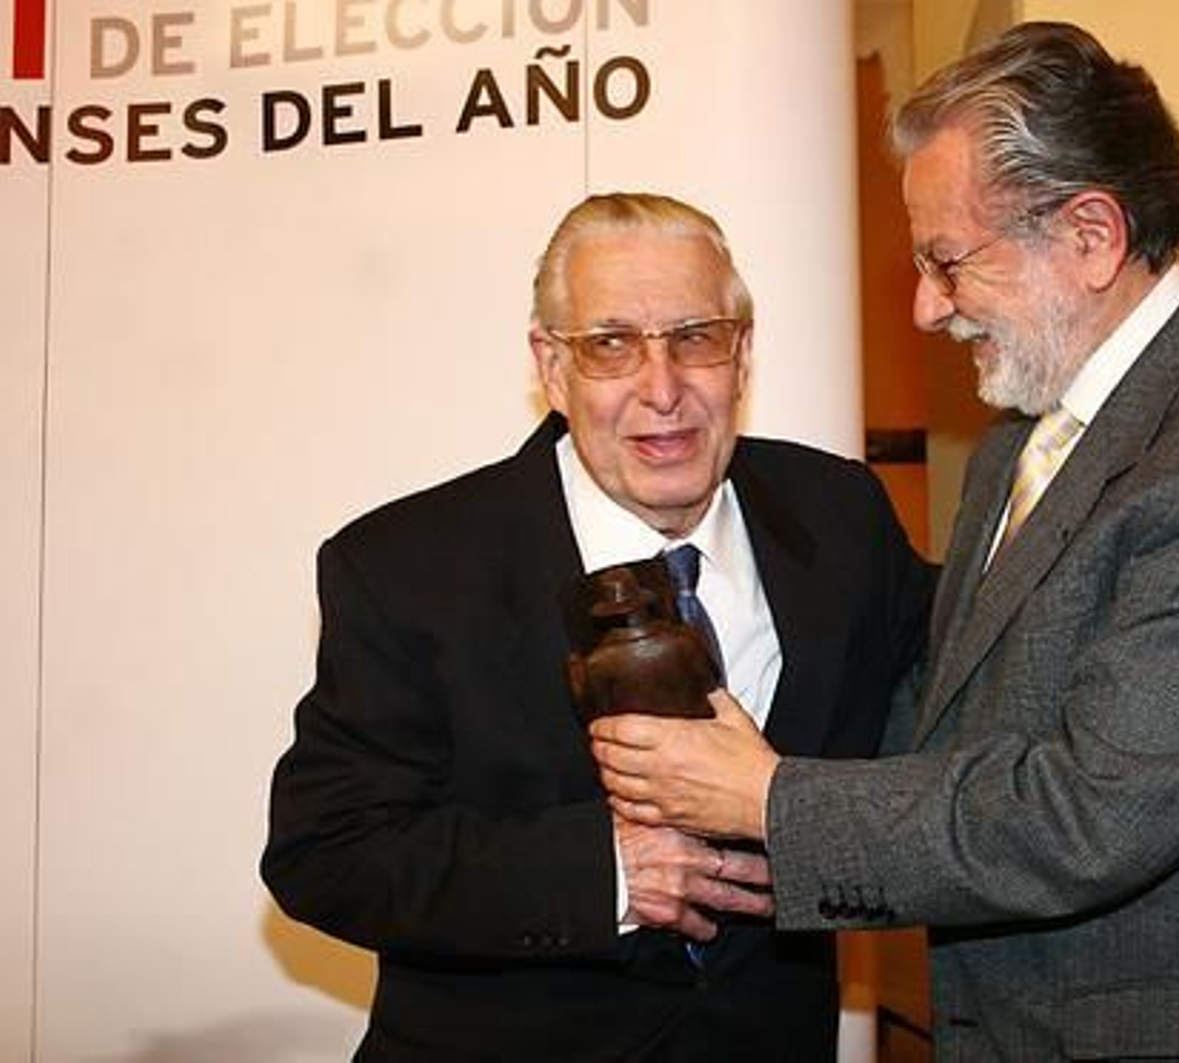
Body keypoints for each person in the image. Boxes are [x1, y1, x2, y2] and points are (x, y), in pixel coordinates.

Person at [591, 22, 1179, 1061]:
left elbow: (1085, 814)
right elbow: (955, 701)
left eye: (947, 261)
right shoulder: (1028, 431)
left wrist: (767, 796)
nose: (927, 308)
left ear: (1091, 236)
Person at [261, 192, 933, 1061]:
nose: (663, 390)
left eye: (695, 336)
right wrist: (609, 873)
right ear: (552, 364)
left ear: (742, 351)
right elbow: (327, 852)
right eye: (611, 345)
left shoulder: (841, 516)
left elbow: (966, 697)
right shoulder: (408, 565)